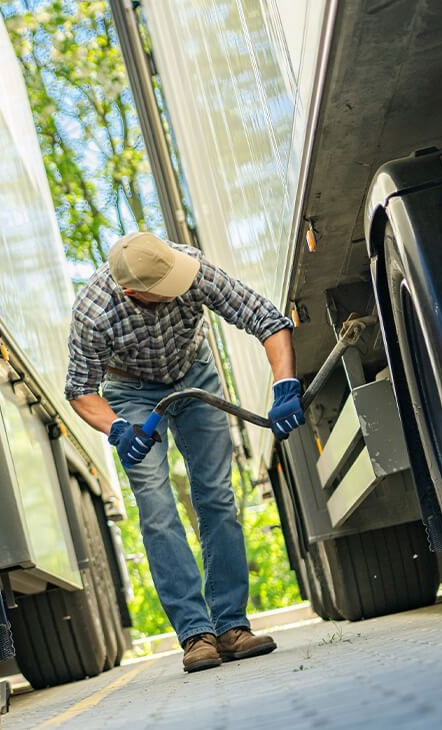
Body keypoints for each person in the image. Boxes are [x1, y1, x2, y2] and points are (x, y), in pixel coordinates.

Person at [65, 231, 303, 673]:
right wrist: (117, 428)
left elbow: (266, 319)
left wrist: (284, 384)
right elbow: (80, 390)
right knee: (156, 506)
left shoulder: (189, 267)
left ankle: (231, 626)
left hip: (195, 374)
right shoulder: (93, 312)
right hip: (130, 391)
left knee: (216, 496)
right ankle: (196, 633)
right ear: (132, 292)